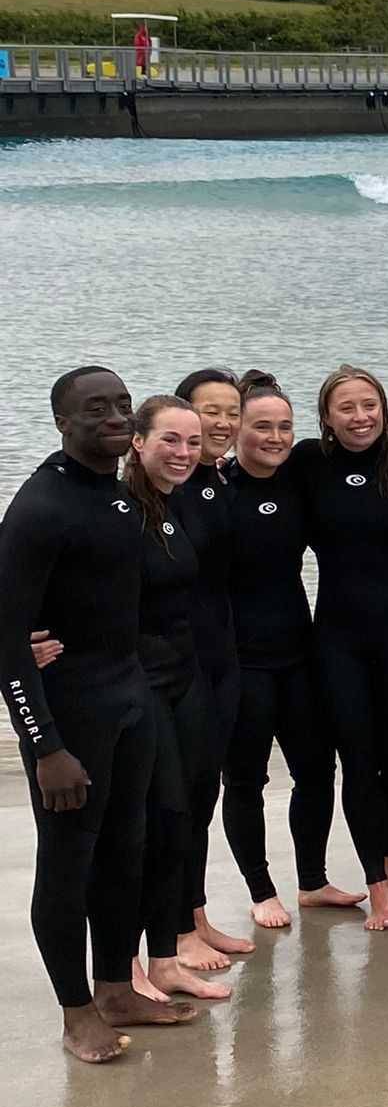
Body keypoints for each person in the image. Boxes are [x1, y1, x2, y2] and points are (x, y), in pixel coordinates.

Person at [2, 368, 193, 1063]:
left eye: (121, 405)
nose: (114, 417)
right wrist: (44, 745)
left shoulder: (116, 496)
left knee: (126, 850)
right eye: (95, 409)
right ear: (62, 421)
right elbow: (7, 640)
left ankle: (116, 987)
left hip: (127, 697)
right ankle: (75, 1010)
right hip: (71, 713)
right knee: (68, 862)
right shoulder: (40, 507)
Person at [294, 365, 388, 932]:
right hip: (339, 637)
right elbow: (249, 482)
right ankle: (375, 882)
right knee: (357, 760)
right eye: (346, 408)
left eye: (369, 405)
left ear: (383, 408)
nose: (360, 417)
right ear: (327, 418)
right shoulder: (309, 462)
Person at [220, 373, 361, 929]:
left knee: (318, 770)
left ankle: (312, 881)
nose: (275, 437)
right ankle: (260, 890)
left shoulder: (300, 476)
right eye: (261, 426)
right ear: (236, 429)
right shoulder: (215, 488)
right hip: (240, 658)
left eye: (284, 426)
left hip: (299, 650)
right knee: (246, 780)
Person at [125, 396, 234, 1004]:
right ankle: (126, 965)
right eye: (171, 440)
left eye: (193, 443)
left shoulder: (172, 503)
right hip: (133, 685)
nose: (185, 452)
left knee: (181, 816)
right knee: (144, 823)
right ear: (137, 441)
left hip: (182, 676)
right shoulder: (118, 508)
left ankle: (165, 957)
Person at [170, 368, 250, 966]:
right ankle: (174, 931)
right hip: (177, 662)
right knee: (176, 799)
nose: (222, 423)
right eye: (209, 411)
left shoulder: (218, 480)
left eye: (231, 412)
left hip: (221, 654)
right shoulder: (163, 485)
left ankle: (194, 915)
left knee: (203, 794)